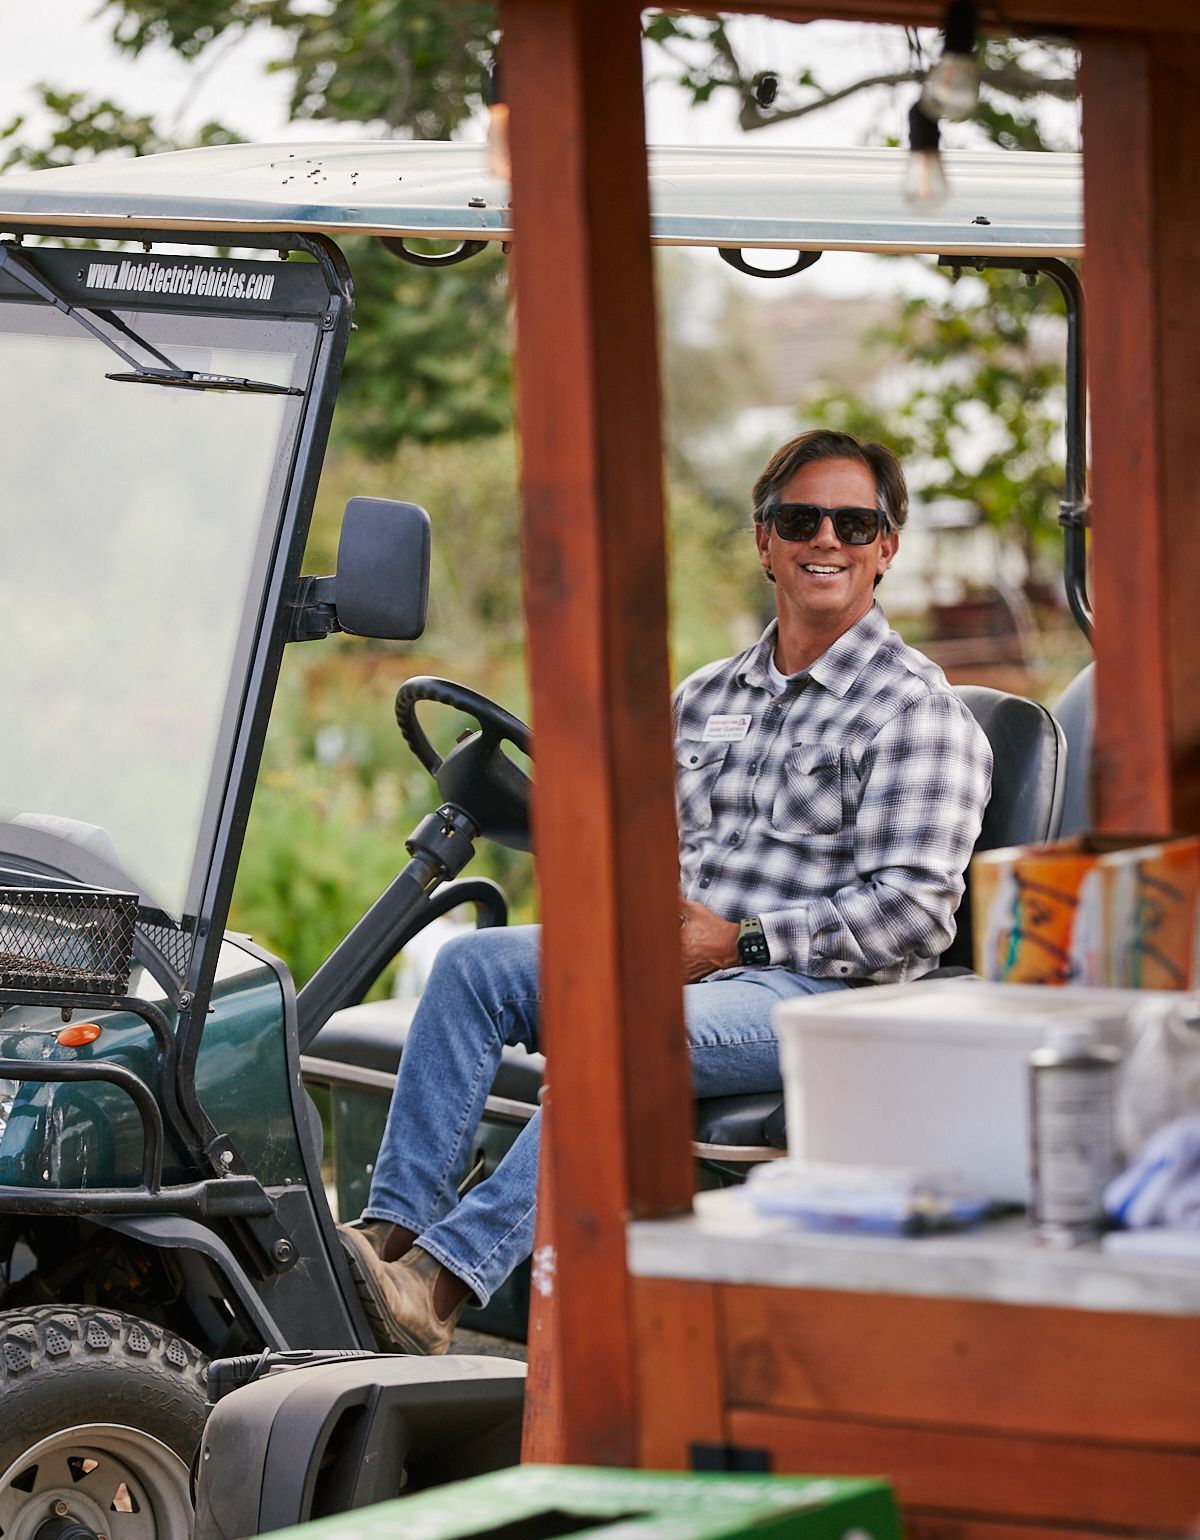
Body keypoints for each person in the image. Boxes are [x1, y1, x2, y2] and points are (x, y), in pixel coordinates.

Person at [338, 429, 993, 1354]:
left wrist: (735, 941)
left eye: (854, 524)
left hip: (817, 994)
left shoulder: (918, 713)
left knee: (626, 1033)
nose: (826, 540)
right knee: (470, 966)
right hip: (673, 959)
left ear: (886, 547)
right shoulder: (704, 698)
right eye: (800, 520)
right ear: (764, 541)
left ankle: (439, 1289)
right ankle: (388, 1236)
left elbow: (913, 914)